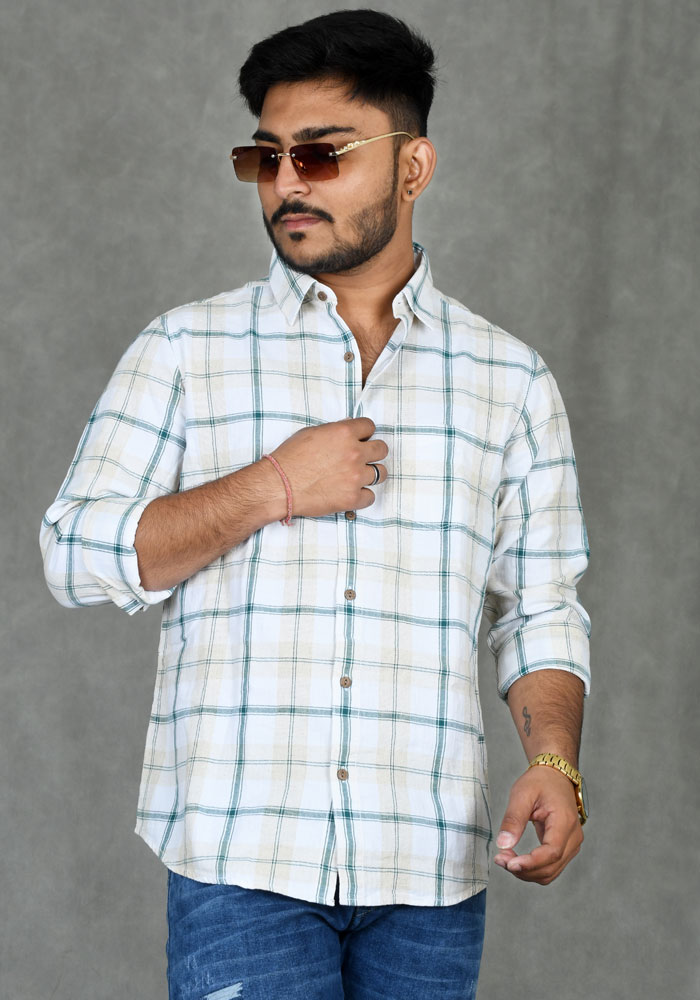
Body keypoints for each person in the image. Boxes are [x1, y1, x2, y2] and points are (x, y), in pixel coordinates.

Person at [39, 9, 592, 999]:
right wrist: (271, 487)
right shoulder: (184, 352)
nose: (287, 181)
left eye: (322, 153)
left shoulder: (509, 382)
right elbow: (73, 553)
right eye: (267, 156)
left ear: (413, 167)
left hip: (428, 869)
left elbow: (539, 606)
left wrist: (555, 762)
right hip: (240, 866)